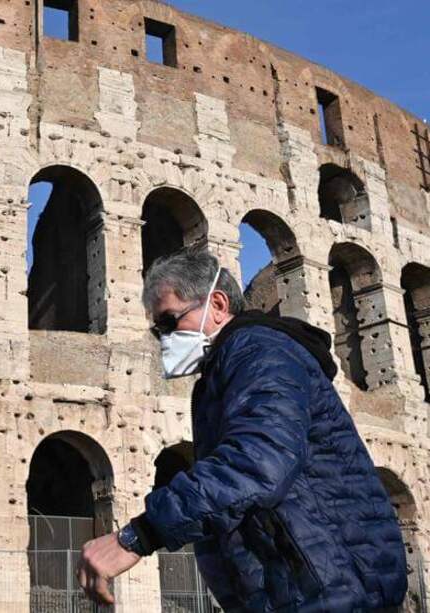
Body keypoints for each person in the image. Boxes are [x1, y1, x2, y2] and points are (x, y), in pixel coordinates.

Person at [77, 249, 408, 612]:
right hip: (309, 585)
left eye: (170, 322)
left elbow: (258, 461)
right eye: (159, 330)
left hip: (332, 587)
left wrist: (138, 535)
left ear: (217, 304)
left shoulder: (261, 352)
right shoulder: (232, 364)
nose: (165, 338)